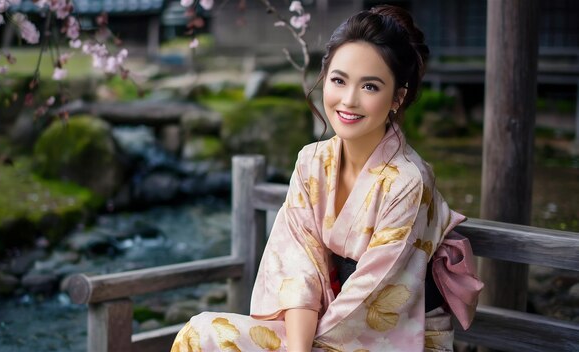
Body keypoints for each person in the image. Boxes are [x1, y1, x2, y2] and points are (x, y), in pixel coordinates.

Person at [171, 5, 483, 351]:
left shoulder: (408, 182)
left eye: (370, 86)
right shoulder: (311, 162)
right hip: (321, 327)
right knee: (199, 335)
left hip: (394, 335)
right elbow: (298, 267)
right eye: (339, 80)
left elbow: (372, 302)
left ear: (398, 97)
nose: (348, 100)